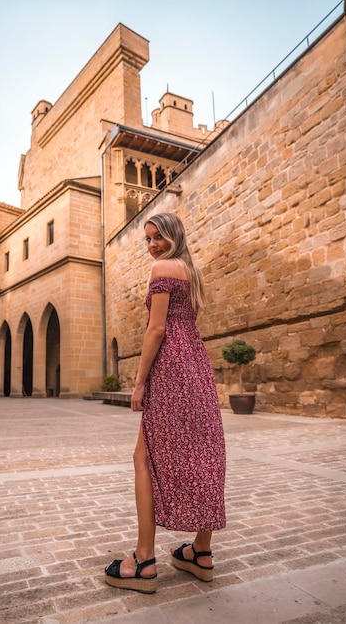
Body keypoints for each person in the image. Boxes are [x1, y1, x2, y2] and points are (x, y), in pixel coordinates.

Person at [104, 212, 226, 594]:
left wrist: (139, 383)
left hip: (170, 369)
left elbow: (157, 328)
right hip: (197, 367)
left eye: (158, 236)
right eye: (148, 239)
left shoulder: (162, 269)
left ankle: (143, 560)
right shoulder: (193, 272)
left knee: (143, 457)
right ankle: (200, 552)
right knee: (206, 452)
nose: (153, 245)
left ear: (174, 235)